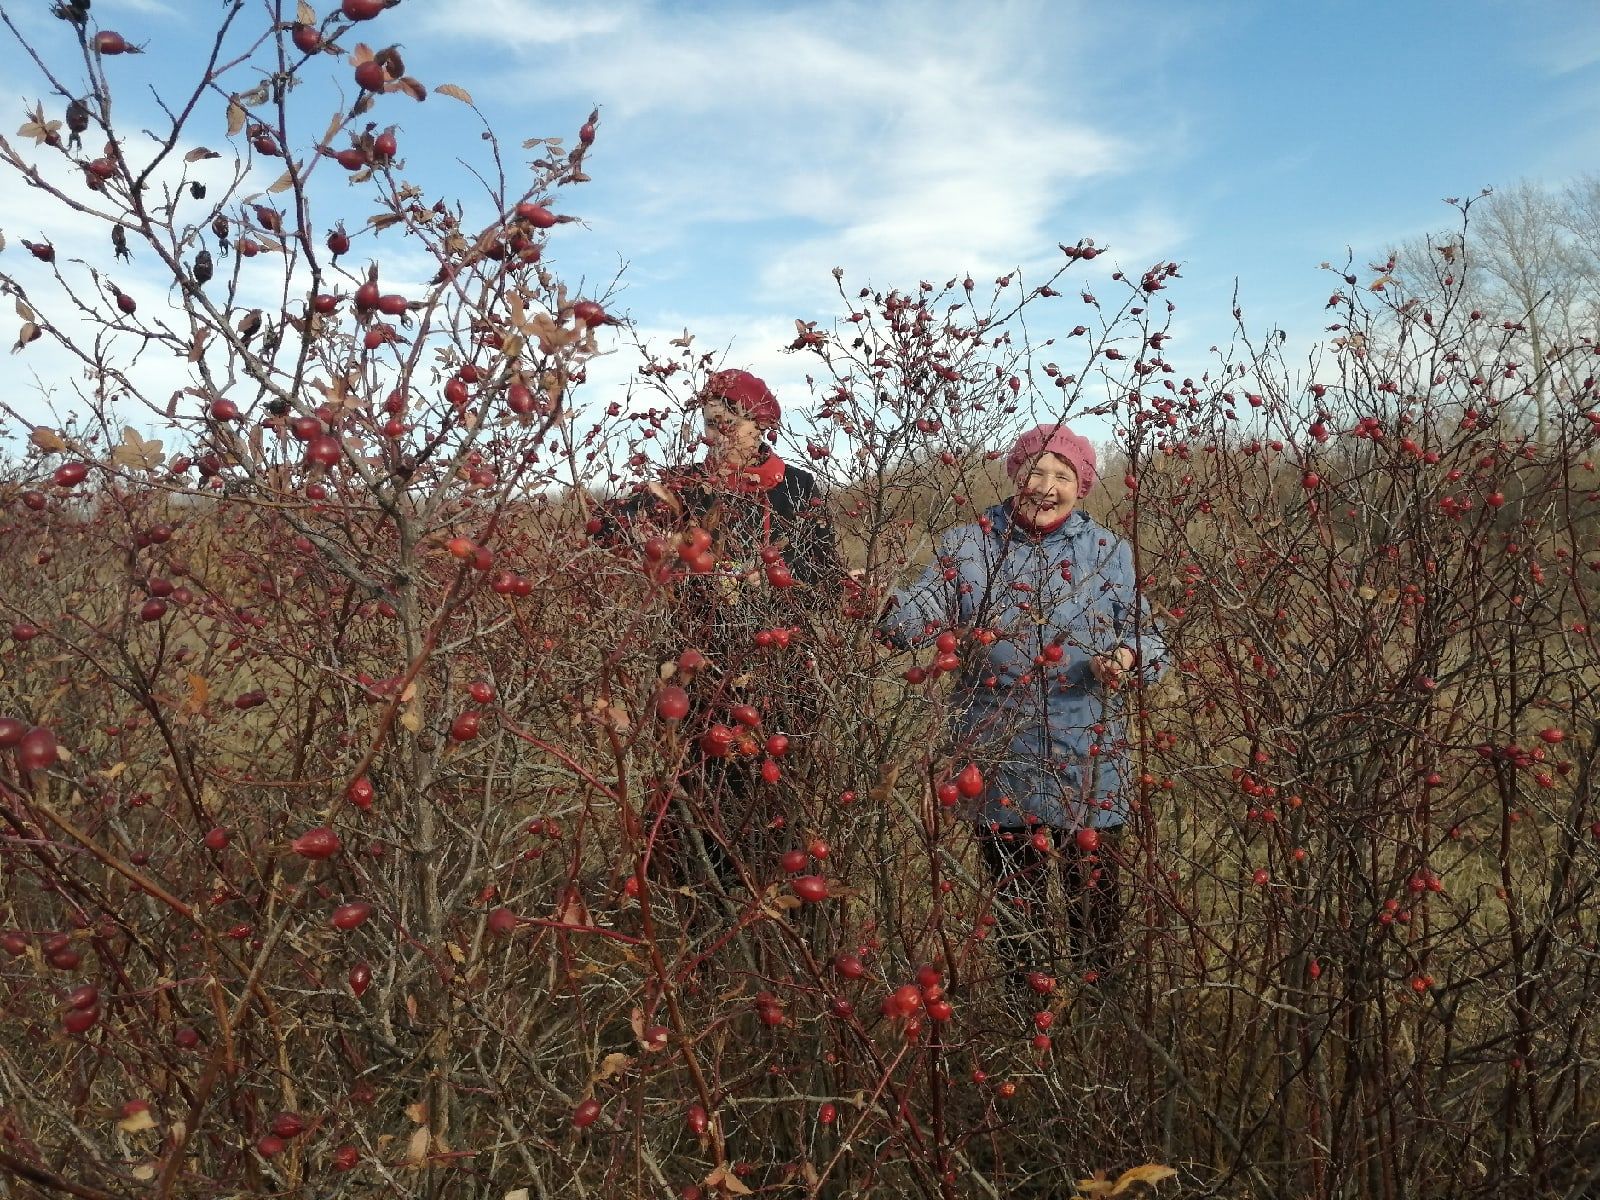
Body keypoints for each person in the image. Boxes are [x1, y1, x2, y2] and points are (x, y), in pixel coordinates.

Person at [877, 422, 1165, 985]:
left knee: (1097, 903)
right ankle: (1020, 1015)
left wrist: (1127, 659)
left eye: (1063, 475)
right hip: (998, 755)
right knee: (1016, 905)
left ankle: (1098, 1013)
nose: (1047, 485)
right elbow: (915, 617)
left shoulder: (1107, 552)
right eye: (1037, 470)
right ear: (1016, 474)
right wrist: (882, 608)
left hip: (1088, 758)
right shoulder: (971, 544)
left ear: (1081, 487)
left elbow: (1149, 639)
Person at [598, 369, 841, 897]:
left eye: (726, 423)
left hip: (779, 675)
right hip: (699, 670)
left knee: (776, 805)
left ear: (759, 426)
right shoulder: (684, 486)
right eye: (707, 424)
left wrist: (774, 576)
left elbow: (825, 575)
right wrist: (650, 533)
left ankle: (773, 916)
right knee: (697, 798)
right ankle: (696, 914)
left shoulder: (796, 487)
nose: (714, 435)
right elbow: (605, 530)